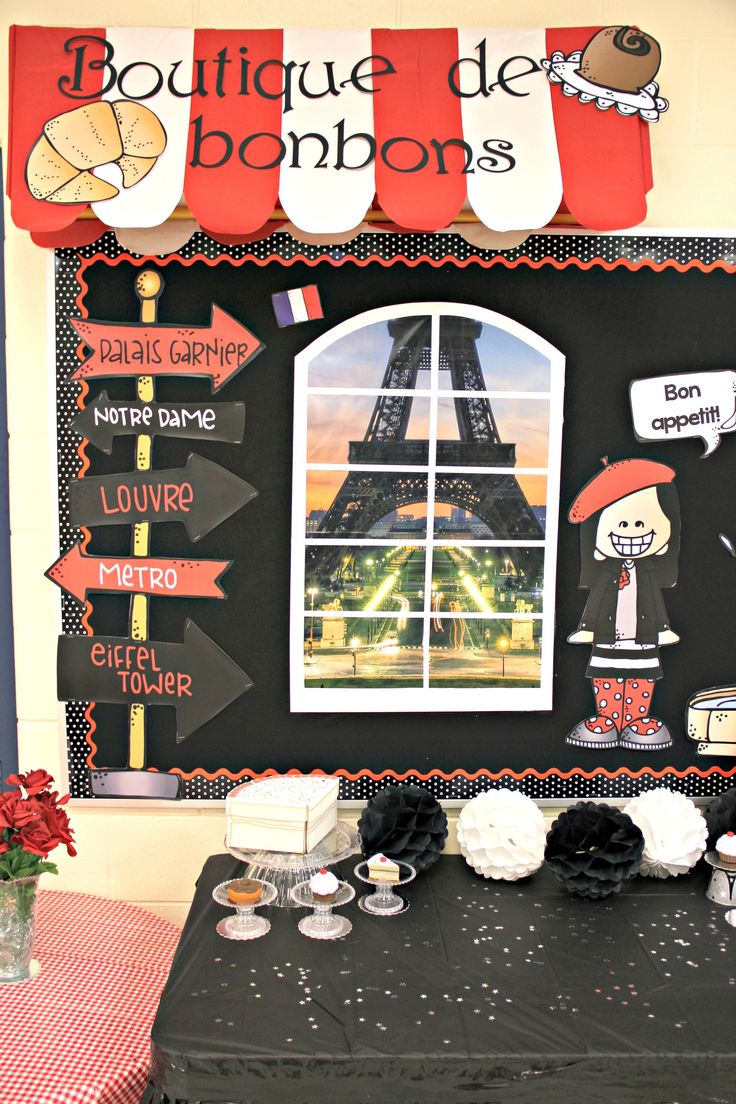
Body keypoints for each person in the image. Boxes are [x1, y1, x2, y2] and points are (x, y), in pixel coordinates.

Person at [566, 457, 680, 751]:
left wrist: (663, 629)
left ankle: (636, 719)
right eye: (623, 524)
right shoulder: (606, 576)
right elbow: (596, 603)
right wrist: (588, 628)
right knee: (607, 677)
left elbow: (654, 603)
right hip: (608, 638)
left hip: (642, 639)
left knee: (641, 678)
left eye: (641, 523)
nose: (632, 531)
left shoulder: (648, 575)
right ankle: (608, 719)